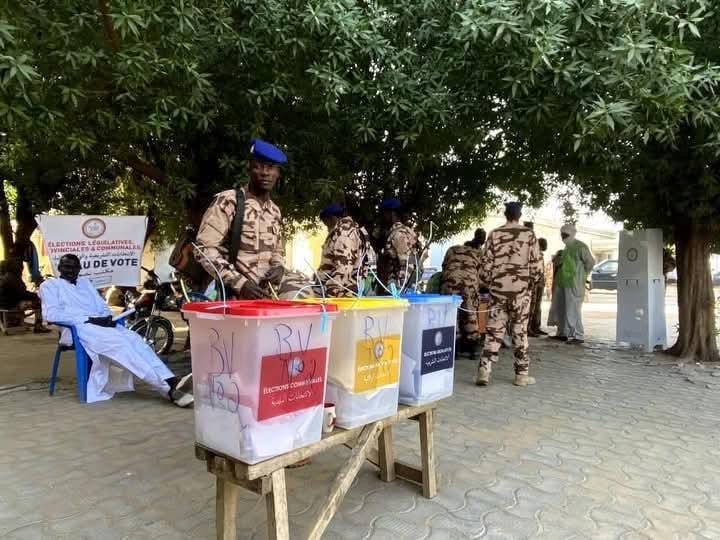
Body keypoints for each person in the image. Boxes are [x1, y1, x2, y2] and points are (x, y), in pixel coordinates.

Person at [38, 254, 193, 406]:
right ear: (59, 268)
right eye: (66, 267)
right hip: (77, 329)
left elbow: (102, 307)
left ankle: (170, 380)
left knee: (136, 340)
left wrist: (106, 317)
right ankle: (168, 387)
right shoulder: (50, 286)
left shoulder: (85, 283)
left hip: (101, 326)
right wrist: (89, 319)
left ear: (79, 269)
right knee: (122, 346)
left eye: (74, 267)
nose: (70, 270)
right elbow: (51, 314)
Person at [194, 139, 309, 299]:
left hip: (269, 295)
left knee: (308, 295)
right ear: (249, 168)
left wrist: (279, 267)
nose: (265, 173)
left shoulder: (274, 211)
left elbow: (277, 251)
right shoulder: (229, 201)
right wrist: (239, 283)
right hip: (236, 295)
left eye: (271, 167)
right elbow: (204, 249)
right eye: (259, 166)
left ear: (278, 173)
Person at [476, 202, 543, 387]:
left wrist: (491, 283)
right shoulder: (529, 235)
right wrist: (530, 284)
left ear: (505, 214)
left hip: (498, 292)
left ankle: (484, 369)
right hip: (520, 293)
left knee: (493, 332)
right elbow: (537, 268)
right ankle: (521, 375)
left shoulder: (494, 234)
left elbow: (485, 269)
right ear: (519, 215)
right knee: (519, 332)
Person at [547, 224, 595, 344]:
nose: (563, 237)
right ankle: (562, 333)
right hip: (562, 283)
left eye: (565, 235)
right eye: (562, 235)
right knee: (561, 308)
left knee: (573, 309)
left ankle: (578, 335)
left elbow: (590, 262)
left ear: (572, 234)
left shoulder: (581, 247)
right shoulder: (566, 248)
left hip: (574, 284)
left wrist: (582, 275)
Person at [317, 203, 373, 297]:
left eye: (327, 224)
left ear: (332, 218)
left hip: (342, 292)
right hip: (343, 290)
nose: (327, 228)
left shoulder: (344, 235)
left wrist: (332, 290)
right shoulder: (346, 231)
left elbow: (343, 268)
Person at [440, 240, 482, 359]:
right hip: (469, 284)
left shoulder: (452, 249)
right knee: (470, 313)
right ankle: (473, 348)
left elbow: (444, 267)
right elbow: (480, 273)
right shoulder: (476, 253)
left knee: (452, 313)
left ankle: (455, 349)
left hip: (450, 282)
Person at [376, 197, 421, 294]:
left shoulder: (398, 235)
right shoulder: (399, 232)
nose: (383, 217)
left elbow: (407, 264)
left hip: (399, 290)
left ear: (392, 214)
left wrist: (399, 289)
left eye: (384, 213)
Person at [0, 259, 49, 332]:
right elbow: (22, 294)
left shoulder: (6, 277)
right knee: (39, 302)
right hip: (10, 305)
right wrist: (36, 295)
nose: (22, 271)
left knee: (34, 299)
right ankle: (38, 325)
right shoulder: (12, 278)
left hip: (4, 303)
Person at [528, 238, 549, 337]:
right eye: (544, 244)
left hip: (539, 283)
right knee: (532, 306)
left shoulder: (540, 254)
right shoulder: (534, 254)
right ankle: (529, 328)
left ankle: (536, 326)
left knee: (537, 307)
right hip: (534, 283)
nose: (546, 246)